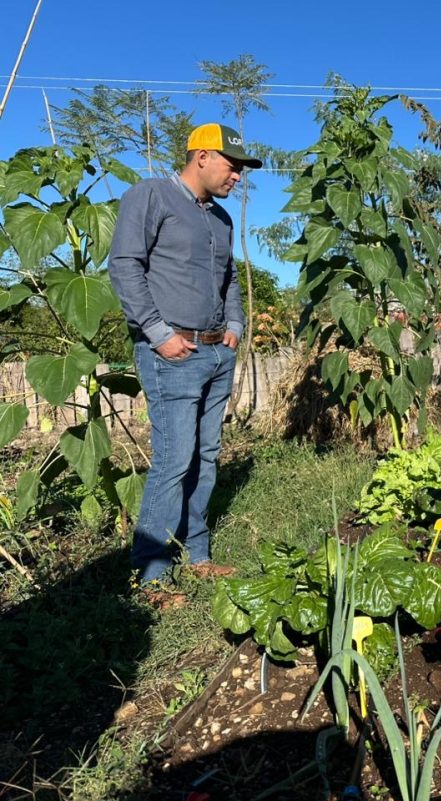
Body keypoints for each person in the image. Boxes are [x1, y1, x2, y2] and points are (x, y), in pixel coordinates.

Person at [110, 123, 262, 608]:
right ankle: (150, 578)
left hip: (217, 351)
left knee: (207, 456)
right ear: (201, 156)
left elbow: (229, 279)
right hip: (172, 355)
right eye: (232, 166)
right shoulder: (151, 196)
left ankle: (196, 556)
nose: (237, 176)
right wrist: (159, 334)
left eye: (240, 170)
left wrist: (235, 325)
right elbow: (124, 265)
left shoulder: (220, 219)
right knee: (175, 460)